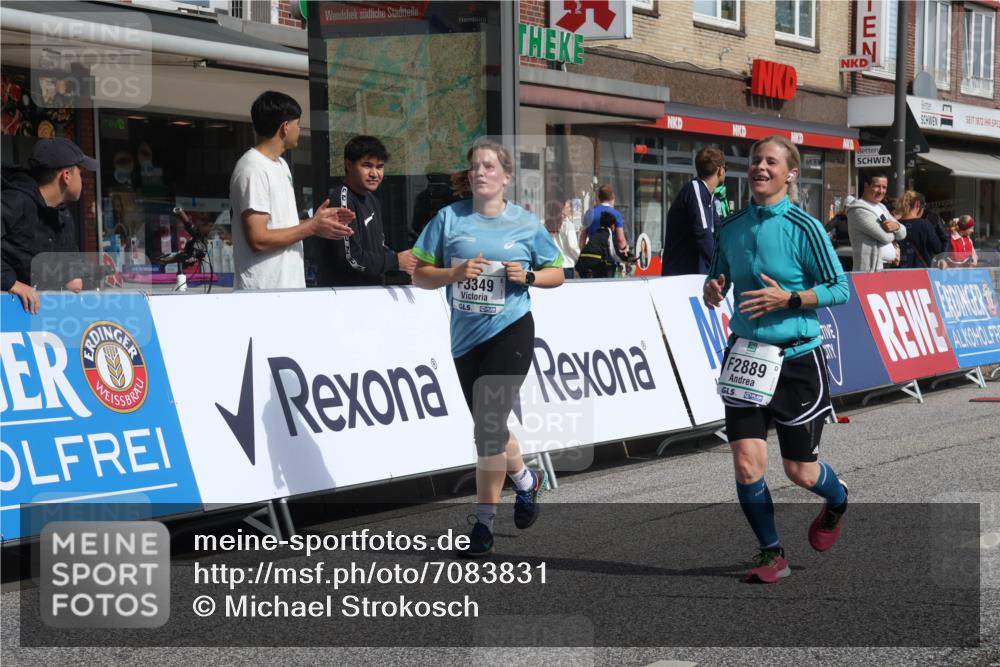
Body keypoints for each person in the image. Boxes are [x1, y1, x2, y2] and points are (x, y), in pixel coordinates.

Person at [703, 135, 850, 584]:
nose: (760, 167)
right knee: (747, 464)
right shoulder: (731, 226)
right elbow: (717, 277)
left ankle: (838, 499)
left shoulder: (805, 228)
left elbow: (840, 289)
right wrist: (713, 289)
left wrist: (790, 299)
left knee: (800, 472)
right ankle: (772, 554)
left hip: (797, 362)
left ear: (791, 173)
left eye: (771, 162)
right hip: (746, 357)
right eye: (755, 160)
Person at [411, 138, 565, 557]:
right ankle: (527, 481)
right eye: (475, 166)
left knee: (487, 429)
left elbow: (558, 272)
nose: (480, 172)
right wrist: (453, 272)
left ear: (506, 177)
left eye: (489, 167)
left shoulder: (525, 224)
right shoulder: (447, 219)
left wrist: (528, 277)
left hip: (511, 331)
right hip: (465, 340)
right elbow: (419, 274)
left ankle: (483, 526)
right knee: (490, 428)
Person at [229, 91, 355, 290]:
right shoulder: (253, 168)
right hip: (264, 293)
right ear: (285, 127)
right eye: (298, 123)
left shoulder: (281, 164)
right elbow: (258, 239)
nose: (300, 129)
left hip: (288, 289)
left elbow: (280, 226)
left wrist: (318, 223)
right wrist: (312, 226)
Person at [1, 138, 92, 314]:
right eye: (80, 173)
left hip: (39, 320)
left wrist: (73, 278)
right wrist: (12, 283)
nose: (83, 180)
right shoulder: (15, 201)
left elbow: (69, 266)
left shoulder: (63, 216)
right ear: (66, 176)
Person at [315, 135, 416, 287]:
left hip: (371, 294)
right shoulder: (341, 199)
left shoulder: (372, 200)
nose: (374, 173)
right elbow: (351, 259)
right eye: (367, 166)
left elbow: (377, 249)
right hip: (344, 298)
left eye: (380, 166)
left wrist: (406, 265)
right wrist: (395, 261)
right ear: (348, 165)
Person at [661, 146, 726, 276]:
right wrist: (721, 267)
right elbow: (703, 233)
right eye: (725, 169)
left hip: (694, 274)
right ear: (720, 170)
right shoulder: (696, 189)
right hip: (680, 275)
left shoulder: (708, 196)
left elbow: (720, 230)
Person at [846, 172, 907, 272]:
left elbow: (904, 233)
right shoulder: (857, 210)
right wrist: (896, 231)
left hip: (887, 267)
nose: (881, 191)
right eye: (877, 186)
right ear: (866, 186)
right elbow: (885, 237)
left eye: (884, 187)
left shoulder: (881, 207)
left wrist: (897, 226)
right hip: (869, 271)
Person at [892, 191, 943, 269]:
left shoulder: (895, 224)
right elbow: (937, 248)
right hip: (920, 271)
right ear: (918, 204)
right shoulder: (924, 224)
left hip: (898, 271)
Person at [579, 184, 628, 257]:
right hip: (609, 257)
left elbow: (583, 237)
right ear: (613, 197)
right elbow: (620, 239)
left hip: (592, 256)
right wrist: (625, 250)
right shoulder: (616, 214)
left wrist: (583, 254)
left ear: (599, 198)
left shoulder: (589, 213)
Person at [576, 211, 622, 278]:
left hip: (583, 263)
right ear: (612, 225)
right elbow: (613, 253)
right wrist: (624, 260)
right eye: (614, 225)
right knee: (610, 267)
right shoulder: (609, 233)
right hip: (597, 264)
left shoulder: (597, 233)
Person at [546, 197, 579, 280]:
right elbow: (573, 247)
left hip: (552, 265)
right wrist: (580, 258)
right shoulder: (568, 225)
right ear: (562, 209)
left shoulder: (548, 225)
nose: (570, 209)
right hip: (566, 265)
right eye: (568, 207)